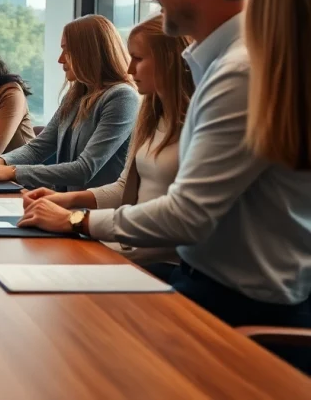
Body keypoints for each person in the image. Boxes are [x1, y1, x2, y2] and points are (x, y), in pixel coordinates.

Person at [19, 0, 310, 374]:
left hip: (235, 307)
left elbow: (186, 216)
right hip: (218, 290)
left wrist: (75, 221)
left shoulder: (238, 74)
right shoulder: (228, 66)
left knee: (71, 356)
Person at [20, 15, 193, 274]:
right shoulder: (150, 111)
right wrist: (65, 199)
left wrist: (74, 219)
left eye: (138, 59)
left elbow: (176, 215)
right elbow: (124, 186)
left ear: (169, 61)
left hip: (154, 259)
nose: (130, 68)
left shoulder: (132, 100)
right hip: (122, 243)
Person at [0, 15, 139, 191]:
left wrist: (11, 171)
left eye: (67, 51)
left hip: (96, 213)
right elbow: (39, 147)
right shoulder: (75, 95)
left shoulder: (122, 98)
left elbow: (84, 169)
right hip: (64, 206)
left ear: (89, 53)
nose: (60, 59)